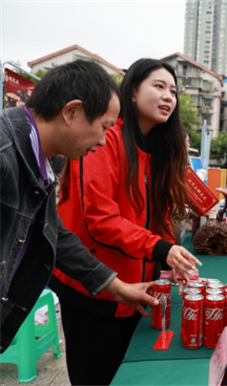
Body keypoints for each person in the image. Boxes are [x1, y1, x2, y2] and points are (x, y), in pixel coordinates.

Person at [50, 59, 201, 386]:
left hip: (134, 287)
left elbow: (157, 214)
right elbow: (100, 220)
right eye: (158, 86)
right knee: (97, 374)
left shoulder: (160, 146)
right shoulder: (104, 138)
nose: (168, 97)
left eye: (173, 91)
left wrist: (169, 256)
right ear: (132, 92)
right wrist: (160, 248)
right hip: (93, 283)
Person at [0, 60, 159, 354]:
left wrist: (116, 287)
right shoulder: (4, 156)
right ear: (71, 112)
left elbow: (53, 234)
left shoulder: (47, 159)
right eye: (103, 127)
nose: (102, 140)